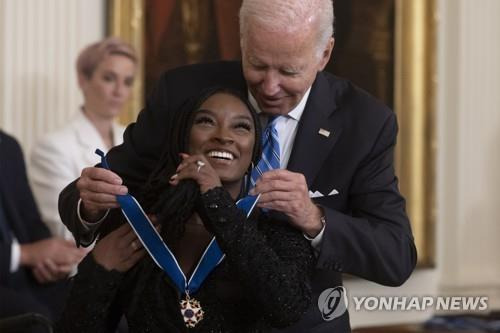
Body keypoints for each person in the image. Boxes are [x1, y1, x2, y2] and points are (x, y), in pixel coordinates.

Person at [59, 0, 418, 331]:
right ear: (242, 41)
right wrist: (90, 207)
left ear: (325, 53)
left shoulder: (365, 122)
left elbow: (396, 255)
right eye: (257, 65)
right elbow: (104, 188)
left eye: (288, 71)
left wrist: (314, 218)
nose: (271, 86)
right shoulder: (182, 92)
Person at [56, 87, 314, 332]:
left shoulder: (275, 227)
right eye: (206, 122)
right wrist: (98, 268)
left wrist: (214, 198)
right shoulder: (138, 226)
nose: (224, 136)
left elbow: (286, 307)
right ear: (182, 137)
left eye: (241, 127)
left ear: (254, 150)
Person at [30, 37, 137, 244]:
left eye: (128, 82)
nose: (119, 91)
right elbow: (65, 231)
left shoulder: (134, 140)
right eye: (109, 78)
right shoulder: (53, 147)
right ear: (83, 79)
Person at [0, 130, 86, 325]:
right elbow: (30, 251)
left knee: (97, 300)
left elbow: (30, 221)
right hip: (12, 271)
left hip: (25, 276)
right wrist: (26, 254)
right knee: (34, 320)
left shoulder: (8, 146)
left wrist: (49, 261)